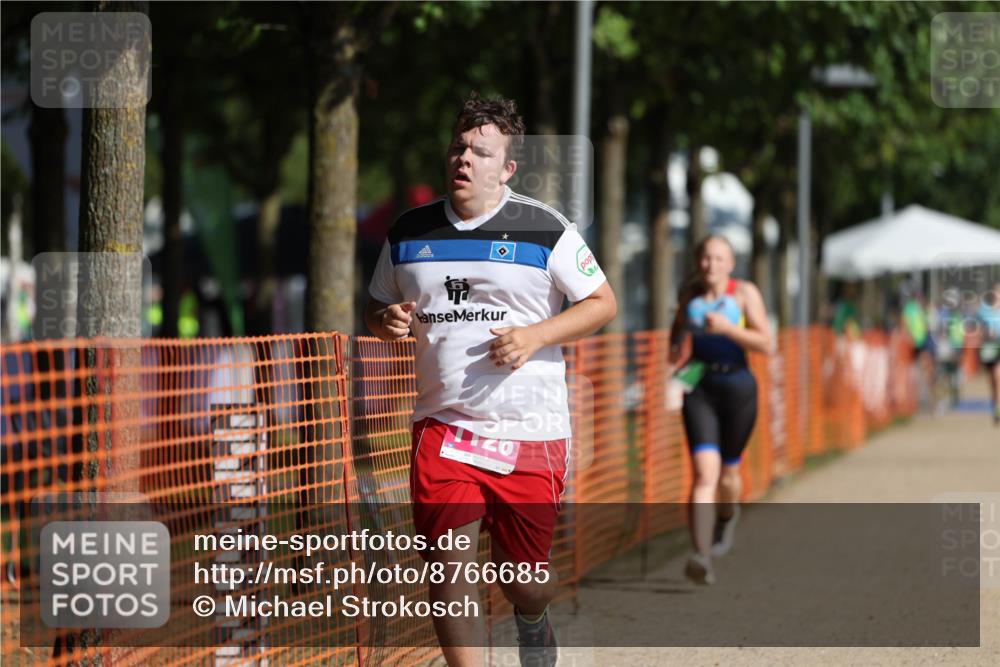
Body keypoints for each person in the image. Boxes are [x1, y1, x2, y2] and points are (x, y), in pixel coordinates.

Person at [365, 94, 616, 667]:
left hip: (532, 429)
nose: (464, 159)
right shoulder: (408, 231)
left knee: (523, 578)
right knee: (449, 572)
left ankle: (533, 620)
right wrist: (387, 321)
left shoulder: (545, 228)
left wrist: (536, 336)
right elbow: (376, 307)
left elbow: (602, 303)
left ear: (506, 168)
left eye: (481, 152)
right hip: (443, 428)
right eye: (459, 146)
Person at [668, 235, 772, 585]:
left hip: (739, 388)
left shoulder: (743, 294)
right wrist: (677, 358)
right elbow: (676, 342)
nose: (711, 264)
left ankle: (727, 517)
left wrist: (728, 329)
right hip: (700, 389)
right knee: (703, 475)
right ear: (698, 263)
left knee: (728, 476)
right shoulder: (690, 298)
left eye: (718, 258)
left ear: (730, 263)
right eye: (705, 258)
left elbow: (766, 343)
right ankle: (702, 557)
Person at [977, 282, 1000, 426]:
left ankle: (998, 407)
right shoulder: (984, 311)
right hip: (988, 349)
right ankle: (994, 405)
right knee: (992, 381)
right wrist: (986, 333)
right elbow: (978, 329)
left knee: (999, 376)